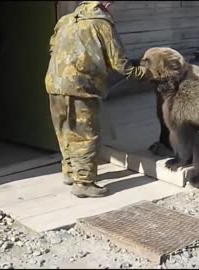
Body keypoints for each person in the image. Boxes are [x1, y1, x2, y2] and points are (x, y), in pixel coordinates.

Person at [45, 1, 149, 198]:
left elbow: (52, 48)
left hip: (54, 83)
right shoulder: (101, 24)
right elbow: (121, 65)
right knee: (85, 135)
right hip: (80, 87)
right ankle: (83, 183)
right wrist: (147, 73)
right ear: (106, 4)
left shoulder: (65, 20)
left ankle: (70, 171)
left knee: (65, 130)